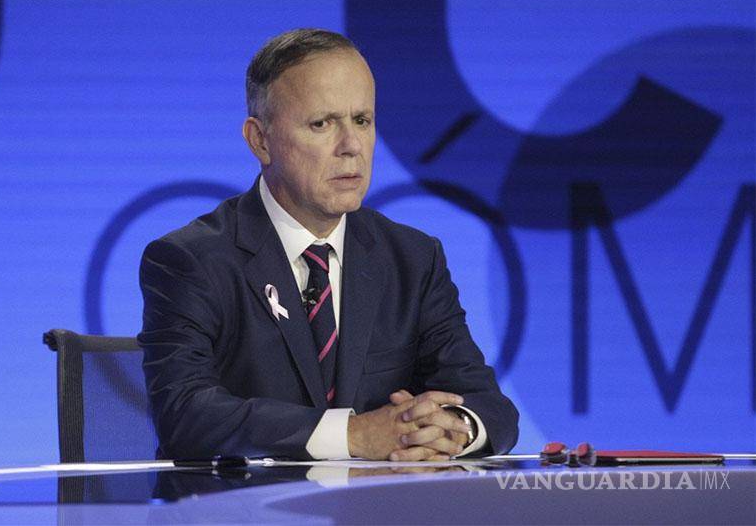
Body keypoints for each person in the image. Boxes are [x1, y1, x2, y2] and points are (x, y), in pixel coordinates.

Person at [138, 29, 518, 461]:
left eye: (362, 121)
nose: (351, 147)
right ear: (260, 140)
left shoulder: (412, 260)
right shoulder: (192, 261)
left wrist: (451, 429)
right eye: (322, 124)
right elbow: (185, 414)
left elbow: (490, 407)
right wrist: (352, 435)